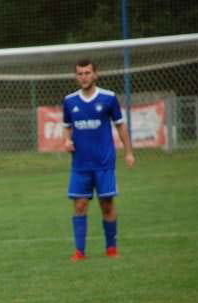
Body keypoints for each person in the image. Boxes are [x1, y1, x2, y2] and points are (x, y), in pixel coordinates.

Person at [63, 58, 135, 261]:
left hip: (104, 163)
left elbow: (120, 126)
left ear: (95, 74)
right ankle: (79, 252)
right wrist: (67, 141)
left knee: (107, 205)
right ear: (76, 76)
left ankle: (111, 248)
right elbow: (67, 127)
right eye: (80, 73)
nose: (84, 77)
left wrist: (128, 152)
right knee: (79, 205)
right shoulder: (70, 101)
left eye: (87, 73)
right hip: (80, 164)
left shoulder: (109, 98)